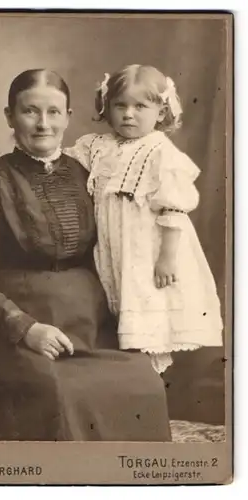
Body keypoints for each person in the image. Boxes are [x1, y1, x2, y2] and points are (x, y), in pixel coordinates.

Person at [0, 68, 171, 441]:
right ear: (10, 116)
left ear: (68, 117)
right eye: (29, 111)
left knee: (142, 382)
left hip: (89, 325)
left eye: (54, 112)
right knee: (63, 395)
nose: (43, 124)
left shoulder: (89, 174)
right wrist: (27, 329)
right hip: (18, 333)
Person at [65, 65, 223, 374]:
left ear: (161, 111)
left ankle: (146, 384)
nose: (128, 114)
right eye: (120, 105)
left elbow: (173, 210)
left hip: (146, 249)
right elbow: (64, 164)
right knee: (114, 315)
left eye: (141, 106)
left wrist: (166, 258)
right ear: (106, 107)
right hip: (112, 246)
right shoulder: (97, 146)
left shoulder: (160, 152)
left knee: (146, 317)